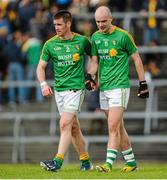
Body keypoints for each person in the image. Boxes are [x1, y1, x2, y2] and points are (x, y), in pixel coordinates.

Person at [85, 6, 149, 172]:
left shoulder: (123, 36)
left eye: (103, 21)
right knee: (119, 127)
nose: (100, 25)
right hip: (104, 88)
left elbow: (137, 59)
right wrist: (90, 77)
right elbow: (95, 62)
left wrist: (143, 84)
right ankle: (131, 163)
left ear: (111, 19)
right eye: (97, 22)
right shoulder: (96, 37)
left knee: (112, 126)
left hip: (119, 87)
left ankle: (108, 164)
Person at [36, 10, 93, 172]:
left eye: (60, 24)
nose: (57, 28)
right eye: (55, 25)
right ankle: (86, 162)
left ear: (68, 24)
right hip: (59, 91)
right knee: (73, 129)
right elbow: (40, 67)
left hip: (76, 89)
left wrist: (92, 76)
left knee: (64, 123)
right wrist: (43, 84)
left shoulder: (82, 41)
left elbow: (94, 58)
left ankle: (57, 162)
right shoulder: (50, 44)